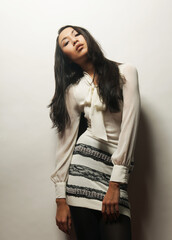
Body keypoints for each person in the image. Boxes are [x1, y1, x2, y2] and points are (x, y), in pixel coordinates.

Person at [48, 24, 141, 240]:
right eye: (66, 42)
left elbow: (130, 125)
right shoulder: (73, 90)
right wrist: (61, 200)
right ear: (66, 57)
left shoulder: (125, 71)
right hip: (81, 176)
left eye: (77, 34)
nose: (75, 40)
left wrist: (116, 183)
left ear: (87, 36)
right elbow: (66, 144)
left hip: (115, 173)